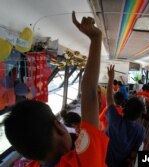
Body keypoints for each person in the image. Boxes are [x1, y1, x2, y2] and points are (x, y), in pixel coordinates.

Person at [4, 11, 109, 166]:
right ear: (58, 127)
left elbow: (89, 91)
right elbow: (89, 92)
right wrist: (95, 38)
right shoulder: (85, 161)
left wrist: (96, 38)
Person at [105, 65, 145, 167]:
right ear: (139, 116)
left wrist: (110, 78)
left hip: (105, 161)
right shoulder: (141, 130)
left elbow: (109, 98)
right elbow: (134, 153)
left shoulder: (114, 119)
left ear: (124, 108)